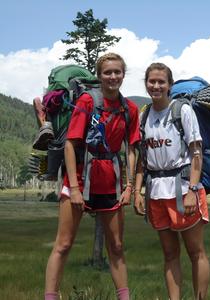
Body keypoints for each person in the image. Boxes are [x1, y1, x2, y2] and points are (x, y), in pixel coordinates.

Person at [44, 53, 140, 300]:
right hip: (79, 178)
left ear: (123, 74)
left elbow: (131, 148)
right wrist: (74, 189)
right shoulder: (87, 102)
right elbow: (70, 145)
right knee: (63, 244)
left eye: (117, 72)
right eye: (107, 72)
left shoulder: (129, 109)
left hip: (111, 184)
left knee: (117, 247)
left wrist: (129, 186)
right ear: (99, 76)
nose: (113, 77)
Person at [134, 62, 210, 300]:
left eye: (161, 82)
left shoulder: (182, 110)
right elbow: (141, 159)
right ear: (146, 84)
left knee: (195, 252)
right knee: (169, 254)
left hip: (182, 188)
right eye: (151, 81)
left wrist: (193, 190)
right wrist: (137, 191)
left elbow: (196, 152)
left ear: (169, 85)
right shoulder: (143, 115)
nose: (156, 86)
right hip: (156, 192)